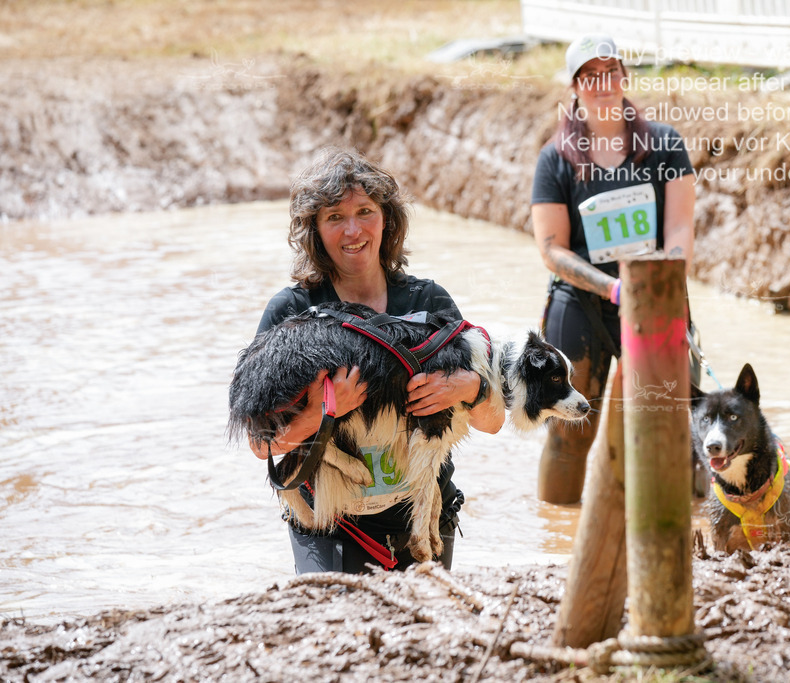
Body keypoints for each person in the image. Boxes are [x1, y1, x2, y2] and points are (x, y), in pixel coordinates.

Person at [251, 147, 504, 573]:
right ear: (314, 230)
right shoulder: (290, 313)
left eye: (365, 211)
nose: (353, 230)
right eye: (334, 217)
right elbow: (262, 445)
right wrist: (319, 414)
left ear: (387, 219)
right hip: (328, 525)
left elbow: (492, 422)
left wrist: (470, 388)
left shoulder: (428, 301)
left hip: (423, 516)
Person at [531, 35, 697, 504]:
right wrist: (613, 288)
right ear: (575, 87)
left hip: (655, 299)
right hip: (579, 305)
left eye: (611, 72)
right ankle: (557, 532)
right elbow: (552, 249)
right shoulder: (555, 159)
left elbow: (680, 227)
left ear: (624, 77)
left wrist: (659, 285)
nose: (602, 84)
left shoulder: (664, 144)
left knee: (668, 425)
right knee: (569, 433)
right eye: (590, 75)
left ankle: (679, 524)